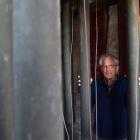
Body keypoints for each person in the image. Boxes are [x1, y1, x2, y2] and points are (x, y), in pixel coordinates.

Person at [91, 54, 128, 140]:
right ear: (101, 69)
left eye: (111, 66)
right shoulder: (95, 84)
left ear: (117, 68)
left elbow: (134, 106)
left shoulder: (126, 83)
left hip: (121, 134)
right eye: (105, 66)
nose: (108, 70)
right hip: (100, 133)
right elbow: (88, 104)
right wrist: (85, 89)